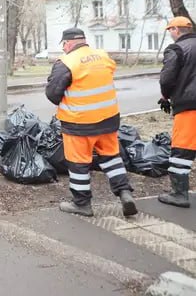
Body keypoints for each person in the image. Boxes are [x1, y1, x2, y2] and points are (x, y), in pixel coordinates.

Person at [45, 27, 137, 217]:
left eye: (64, 45)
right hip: (108, 120)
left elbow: (53, 94)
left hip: (79, 124)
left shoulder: (66, 62)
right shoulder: (103, 56)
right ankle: (124, 192)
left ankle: (82, 204)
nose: (64, 49)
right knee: (111, 158)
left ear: (68, 43)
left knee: (78, 164)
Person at [157, 16, 196, 208]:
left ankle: (179, 194)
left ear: (176, 30)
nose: (170, 34)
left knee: (182, 149)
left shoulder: (176, 49)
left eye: (170, 30)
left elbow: (167, 78)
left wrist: (166, 96)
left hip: (190, 105)